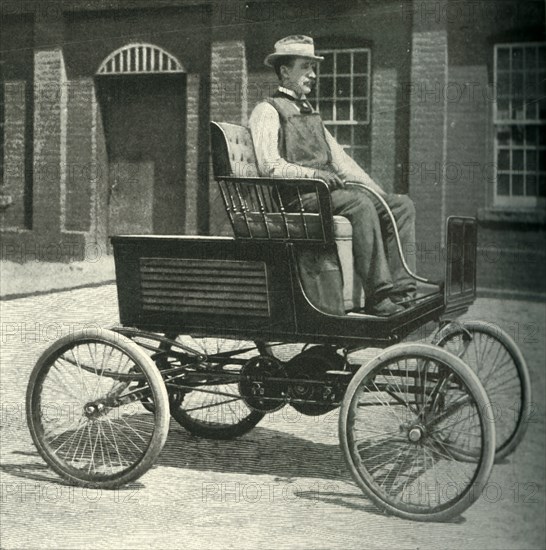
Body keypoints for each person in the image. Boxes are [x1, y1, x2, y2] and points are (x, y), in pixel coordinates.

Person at [248, 35, 417, 316]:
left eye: (313, 68)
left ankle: (403, 292)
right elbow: (270, 166)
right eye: (305, 67)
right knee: (359, 205)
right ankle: (379, 296)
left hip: (326, 195)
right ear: (285, 71)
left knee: (400, 205)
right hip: (296, 200)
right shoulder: (267, 111)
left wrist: (382, 197)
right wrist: (313, 173)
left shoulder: (310, 113)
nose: (312, 74)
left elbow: (342, 162)